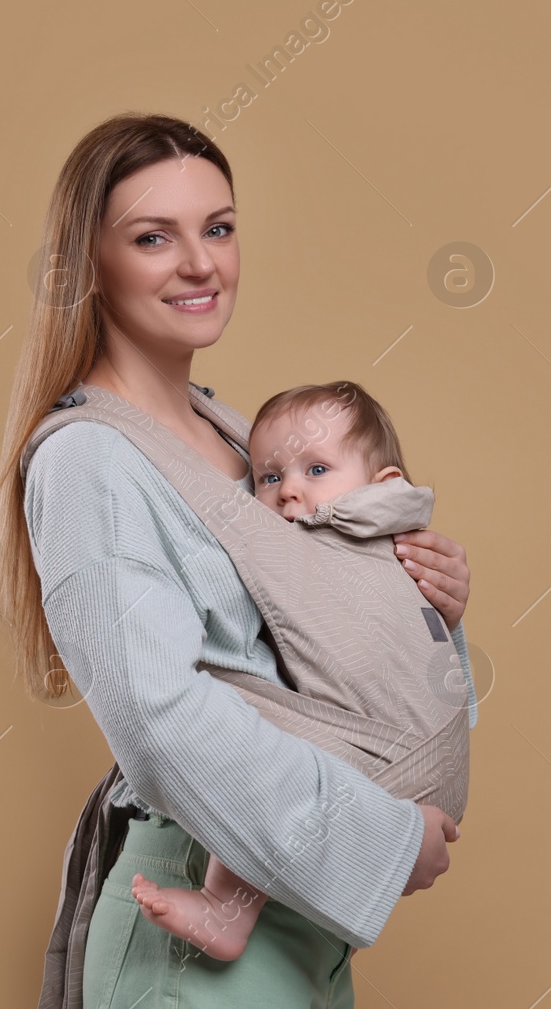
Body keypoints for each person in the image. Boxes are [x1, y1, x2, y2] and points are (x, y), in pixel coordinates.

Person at [0, 113, 472, 1008]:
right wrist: (383, 838)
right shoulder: (91, 459)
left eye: (218, 227)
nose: (201, 263)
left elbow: (316, 657)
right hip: (194, 928)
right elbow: (157, 715)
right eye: (151, 237)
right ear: (88, 266)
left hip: (298, 927)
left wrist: (430, 599)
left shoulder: (245, 438)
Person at [126, 380, 475, 961]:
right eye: (268, 477)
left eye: (316, 469)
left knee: (254, 739)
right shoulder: (392, 533)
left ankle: (224, 911)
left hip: (389, 764)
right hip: (430, 763)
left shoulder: (336, 534)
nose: (288, 491)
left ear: (383, 485)